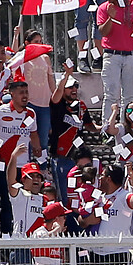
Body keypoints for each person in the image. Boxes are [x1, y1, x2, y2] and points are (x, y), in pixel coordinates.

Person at [0, 81, 41, 234]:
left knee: (24, 202)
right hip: (3, 165)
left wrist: (38, 148)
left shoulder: (31, 114)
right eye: (21, 92)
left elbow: (33, 133)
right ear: (11, 94)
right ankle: (7, 235)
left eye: (26, 92)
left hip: (24, 167)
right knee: (7, 202)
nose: (25, 95)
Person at [97, 0, 133, 124]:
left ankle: (128, 128)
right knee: (111, 95)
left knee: (129, 97)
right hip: (112, 55)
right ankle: (107, 128)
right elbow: (103, 32)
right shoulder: (104, 8)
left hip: (131, 55)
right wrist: (110, 18)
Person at [79, 164, 133, 264]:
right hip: (96, 253)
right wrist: (87, 220)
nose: (99, 179)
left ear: (108, 179)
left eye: (102, 176)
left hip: (118, 253)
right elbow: (81, 218)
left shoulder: (123, 196)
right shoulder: (97, 196)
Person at [49, 64, 98, 196]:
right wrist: (66, 75)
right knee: (64, 194)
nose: (74, 89)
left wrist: (103, 127)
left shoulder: (81, 105)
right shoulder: (58, 104)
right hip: (61, 156)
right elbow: (56, 95)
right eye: (70, 87)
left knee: (80, 193)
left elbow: (89, 125)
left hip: (79, 157)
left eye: (76, 86)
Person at [12, 29, 55, 152]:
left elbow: (50, 79)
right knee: (28, 137)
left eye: (41, 42)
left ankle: (42, 167)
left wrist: (55, 96)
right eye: (36, 42)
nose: (40, 45)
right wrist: (16, 36)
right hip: (29, 104)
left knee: (43, 141)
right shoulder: (23, 57)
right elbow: (14, 56)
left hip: (45, 104)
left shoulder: (45, 58)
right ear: (27, 43)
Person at [6, 145, 46, 245]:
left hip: (40, 246)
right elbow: (11, 182)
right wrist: (13, 157)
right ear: (23, 180)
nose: (36, 179)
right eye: (31, 176)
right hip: (21, 245)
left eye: (38, 176)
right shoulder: (20, 195)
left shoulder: (46, 199)